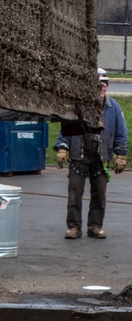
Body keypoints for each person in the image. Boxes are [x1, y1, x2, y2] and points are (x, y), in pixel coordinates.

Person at [55, 69, 127, 240]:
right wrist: (62, 147)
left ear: (107, 87)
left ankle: (95, 226)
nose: (100, 89)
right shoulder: (77, 108)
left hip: (101, 157)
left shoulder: (114, 108)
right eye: (97, 86)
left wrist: (121, 154)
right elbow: (66, 128)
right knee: (74, 193)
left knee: (99, 194)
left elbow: (121, 133)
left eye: (103, 86)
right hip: (79, 155)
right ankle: (74, 227)